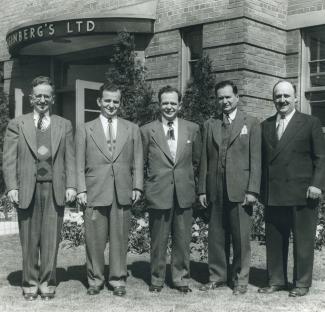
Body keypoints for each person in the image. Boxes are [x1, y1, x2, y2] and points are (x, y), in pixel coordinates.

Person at [3, 76, 76, 300]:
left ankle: (47, 282)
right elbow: (8, 159)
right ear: (31, 98)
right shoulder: (18, 124)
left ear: (52, 99)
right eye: (38, 96)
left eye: (47, 96)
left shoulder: (64, 124)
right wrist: (11, 187)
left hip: (55, 188)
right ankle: (29, 282)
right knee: (29, 238)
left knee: (50, 239)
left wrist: (72, 185)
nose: (42, 100)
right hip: (27, 188)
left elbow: (70, 158)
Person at [258, 80, 325, 297]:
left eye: (287, 96)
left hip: (303, 193)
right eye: (278, 96)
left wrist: (316, 184)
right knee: (275, 240)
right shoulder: (265, 125)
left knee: (303, 241)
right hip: (274, 192)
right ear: (273, 99)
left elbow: (321, 158)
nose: (282, 100)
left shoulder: (310, 122)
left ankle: (301, 283)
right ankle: (276, 280)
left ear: (295, 98)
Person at [76, 82, 143, 297]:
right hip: (95, 190)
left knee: (120, 238)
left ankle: (118, 279)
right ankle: (95, 279)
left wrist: (137, 186)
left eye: (115, 101)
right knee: (94, 239)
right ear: (99, 102)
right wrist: (81, 189)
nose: (111, 105)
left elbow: (138, 160)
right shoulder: (85, 129)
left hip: (122, 190)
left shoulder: (131, 128)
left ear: (120, 103)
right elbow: (78, 163)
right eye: (107, 101)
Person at [198, 80, 261, 295]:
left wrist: (252, 190)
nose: (224, 101)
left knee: (241, 238)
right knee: (216, 236)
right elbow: (204, 160)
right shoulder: (210, 124)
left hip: (241, 191)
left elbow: (256, 160)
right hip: (215, 190)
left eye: (228, 97)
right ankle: (217, 277)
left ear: (237, 97)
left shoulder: (251, 123)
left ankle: (240, 280)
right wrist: (202, 190)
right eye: (220, 98)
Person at [141, 85, 201, 293]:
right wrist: (143, 188)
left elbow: (197, 162)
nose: (169, 107)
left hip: (184, 192)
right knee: (158, 239)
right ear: (159, 104)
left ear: (180, 105)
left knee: (183, 239)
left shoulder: (192, 129)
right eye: (165, 103)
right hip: (159, 192)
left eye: (173, 103)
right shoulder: (147, 130)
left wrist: (195, 187)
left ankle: (180, 277)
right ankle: (157, 279)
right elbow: (140, 164)